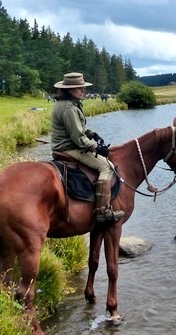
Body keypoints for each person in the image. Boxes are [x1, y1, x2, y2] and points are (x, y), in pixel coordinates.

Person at [50, 72, 124, 222]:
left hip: (66, 145)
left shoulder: (66, 104)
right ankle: (102, 212)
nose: (83, 91)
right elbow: (78, 137)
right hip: (69, 148)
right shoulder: (69, 108)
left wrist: (93, 134)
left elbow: (79, 128)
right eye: (79, 88)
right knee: (106, 168)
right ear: (69, 89)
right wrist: (96, 148)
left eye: (83, 88)